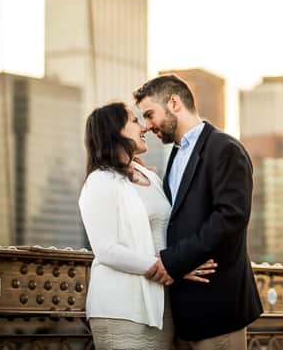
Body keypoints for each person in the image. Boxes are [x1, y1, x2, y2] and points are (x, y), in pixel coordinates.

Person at [134, 75, 263, 350]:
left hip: (218, 308)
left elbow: (230, 218)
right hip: (184, 313)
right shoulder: (175, 156)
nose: (147, 126)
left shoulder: (225, 148)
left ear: (174, 102)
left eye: (149, 114)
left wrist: (174, 261)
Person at [78, 102, 217, 350]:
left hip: (162, 308)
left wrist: (182, 259)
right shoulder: (100, 181)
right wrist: (169, 266)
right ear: (115, 130)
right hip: (121, 309)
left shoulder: (151, 177)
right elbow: (107, 249)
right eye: (134, 121)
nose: (144, 127)